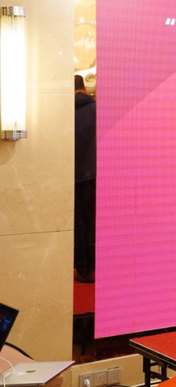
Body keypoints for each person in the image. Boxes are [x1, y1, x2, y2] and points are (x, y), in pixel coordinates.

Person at [74, 74, 97, 284]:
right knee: (88, 222)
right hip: (91, 174)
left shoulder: (64, 110)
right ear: (85, 89)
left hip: (68, 174)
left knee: (75, 222)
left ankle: (79, 265)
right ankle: (87, 268)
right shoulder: (95, 109)